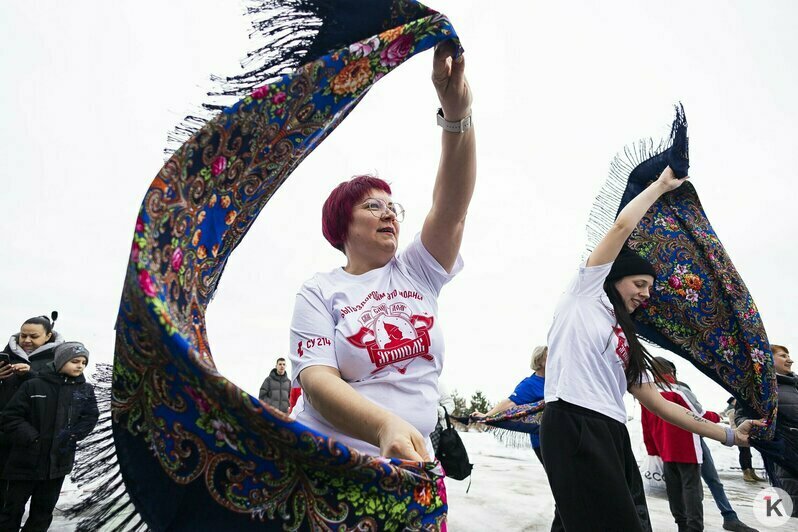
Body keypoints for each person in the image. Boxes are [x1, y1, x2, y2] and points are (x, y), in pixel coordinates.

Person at [539, 166, 761, 531]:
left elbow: (660, 404)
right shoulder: (584, 295)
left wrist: (728, 435)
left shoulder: (628, 340)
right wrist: (660, 186)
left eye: (650, 288)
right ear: (614, 278)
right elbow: (620, 228)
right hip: (574, 422)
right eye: (639, 283)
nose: (645, 293)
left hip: (611, 431)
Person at [288, 40, 475, 461]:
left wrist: (457, 115)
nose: (389, 213)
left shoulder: (415, 271)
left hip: (413, 461)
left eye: (393, 207)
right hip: (330, 460)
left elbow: (452, 210)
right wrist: (383, 426)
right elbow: (316, 380)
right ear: (342, 225)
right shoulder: (319, 291)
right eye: (373, 206)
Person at [643, 357, 759, 532]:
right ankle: (709, 522)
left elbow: (646, 426)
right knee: (698, 486)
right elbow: (699, 415)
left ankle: (683, 525)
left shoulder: (648, 395)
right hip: (690, 446)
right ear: (670, 371)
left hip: (666, 450)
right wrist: (717, 416)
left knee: (675, 489)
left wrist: (653, 451)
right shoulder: (679, 390)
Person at [0, 342, 99, 531]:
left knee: (42, 513)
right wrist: (32, 438)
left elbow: (90, 417)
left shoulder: (85, 390)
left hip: (58, 464)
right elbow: (10, 417)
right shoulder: (33, 385)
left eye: (84, 362)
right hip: (24, 462)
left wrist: (73, 435)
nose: (80, 366)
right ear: (60, 361)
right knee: (10, 511)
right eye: (75, 361)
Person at [0, 313, 64, 508]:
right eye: (23, 335)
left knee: (29, 500)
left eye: (34, 336)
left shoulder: (60, 361)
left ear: (48, 336)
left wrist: (32, 374)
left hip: (36, 440)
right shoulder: (5, 357)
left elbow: (66, 392)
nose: (27, 340)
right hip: (4, 434)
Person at [738, 344, 798, 516]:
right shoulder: (760, 388)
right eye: (783, 356)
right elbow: (743, 416)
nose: (790, 360)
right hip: (785, 454)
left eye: (789, 355)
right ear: (768, 359)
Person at [477, 345, 547, 462]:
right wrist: (486, 415)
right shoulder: (529, 384)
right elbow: (510, 403)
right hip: (542, 441)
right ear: (539, 360)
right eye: (549, 356)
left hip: (562, 435)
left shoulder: (556, 381)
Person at [725, 397, 765, 483]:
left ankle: (751, 471)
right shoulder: (732, 412)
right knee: (744, 453)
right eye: (734, 400)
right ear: (732, 403)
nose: (735, 401)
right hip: (737, 434)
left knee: (748, 454)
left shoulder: (741, 409)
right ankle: (746, 472)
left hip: (744, 433)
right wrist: (736, 434)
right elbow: (733, 425)